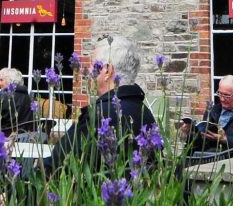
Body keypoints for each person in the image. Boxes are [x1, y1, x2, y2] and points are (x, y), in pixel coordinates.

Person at [47, 35, 158, 171]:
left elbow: (55, 166)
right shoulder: (144, 113)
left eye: (91, 64)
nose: (85, 71)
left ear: (107, 71)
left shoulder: (98, 114)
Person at [181, 75, 233, 153]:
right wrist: (191, 133)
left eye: (227, 95)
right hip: (207, 157)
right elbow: (200, 144)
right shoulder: (212, 111)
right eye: (220, 94)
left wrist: (226, 139)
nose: (222, 99)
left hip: (232, 160)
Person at [0, 67, 35, 137]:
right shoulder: (28, 98)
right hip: (22, 138)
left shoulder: (3, 97)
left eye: (1, 80)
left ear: (10, 81)